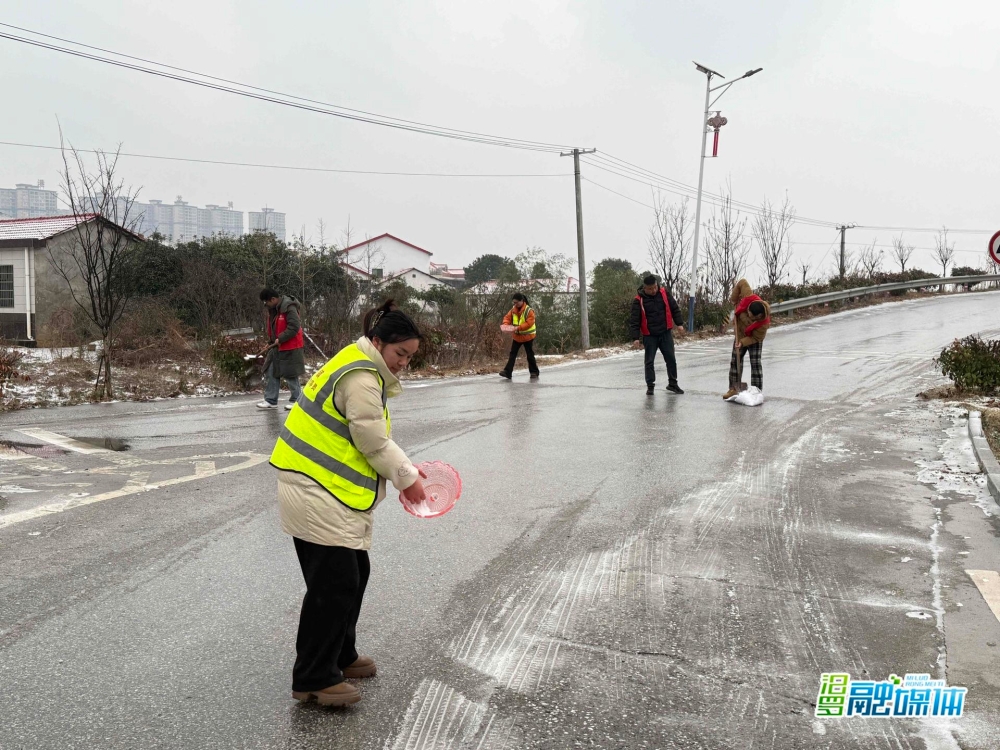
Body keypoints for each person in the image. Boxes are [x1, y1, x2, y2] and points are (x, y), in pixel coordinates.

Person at [270, 299, 427, 707]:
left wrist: (405, 469)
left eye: (410, 356)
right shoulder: (361, 377)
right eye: (400, 353)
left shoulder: (362, 365)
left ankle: (340, 655)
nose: (404, 363)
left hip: (325, 487)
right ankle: (313, 677)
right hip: (314, 488)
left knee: (354, 572)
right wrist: (407, 478)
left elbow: (370, 436)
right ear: (378, 341)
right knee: (334, 583)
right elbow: (372, 441)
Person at [629, 275, 685, 396]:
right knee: (649, 362)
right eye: (650, 289)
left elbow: (674, 308)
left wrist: (679, 323)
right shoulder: (638, 300)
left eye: (655, 287)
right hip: (649, 336)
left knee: (671, 359)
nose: (653, 290)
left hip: (665, 333)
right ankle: (650, 386)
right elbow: (634, 320)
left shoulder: (664, 293)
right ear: (645, 288)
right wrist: (635, 338)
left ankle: (673, 383)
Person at [258, 289, 306, 411]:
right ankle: (271, 400)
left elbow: (294, 327)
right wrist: (270, 342)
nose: (265, 305)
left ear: (273, 299)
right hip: (277, 347)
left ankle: (297, 400)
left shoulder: (289, 307)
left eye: (266, 302)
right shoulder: (274, 310)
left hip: (291, 346)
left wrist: (281, 338)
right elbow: (275, 328)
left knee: (290, 374)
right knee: (271, 371)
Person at [724, 278, 770, 399]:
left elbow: (754, 338)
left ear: (759, 316)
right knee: (735, 361)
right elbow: (742, 282)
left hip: (754, 339)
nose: (748, 314)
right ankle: (734, 389)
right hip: (740, 334)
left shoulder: (763, 325)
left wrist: (743, 342)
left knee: (755, 364)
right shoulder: (748, 296)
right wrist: (734, 299)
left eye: (751, 316)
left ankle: (756, 391)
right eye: (748, 312)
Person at [499, 293, 540, 380]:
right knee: (512, 354)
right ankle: (507, 372)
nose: (515, 304)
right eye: (514, 302)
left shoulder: (529, 311)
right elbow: (507, 318)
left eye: (516, 302)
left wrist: (518, 328)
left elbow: (529, 323)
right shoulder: (513, 310)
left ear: (522, 301)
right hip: (517, 336)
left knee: (529, 354)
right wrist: (506, 324)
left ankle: (534, 372)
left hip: (528, 336)